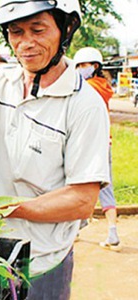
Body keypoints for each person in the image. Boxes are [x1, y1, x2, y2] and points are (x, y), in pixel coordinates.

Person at [0, 0, 110, 299]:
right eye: (16, 32)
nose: (26, 43)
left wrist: (4, 205)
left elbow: (81, 200)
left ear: (66, 29)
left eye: (38, 30)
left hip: (41, 260)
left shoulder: (84, 105)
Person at [74, 47, 121, 251]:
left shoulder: (89, 87)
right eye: (78, 66)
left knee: (77, 184)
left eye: (83, 65)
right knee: (102, 187)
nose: (80, 69)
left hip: (90, 142)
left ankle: (81, 226)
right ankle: (109, 232)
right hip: (104, 142)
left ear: (94, 66)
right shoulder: (104, 85)